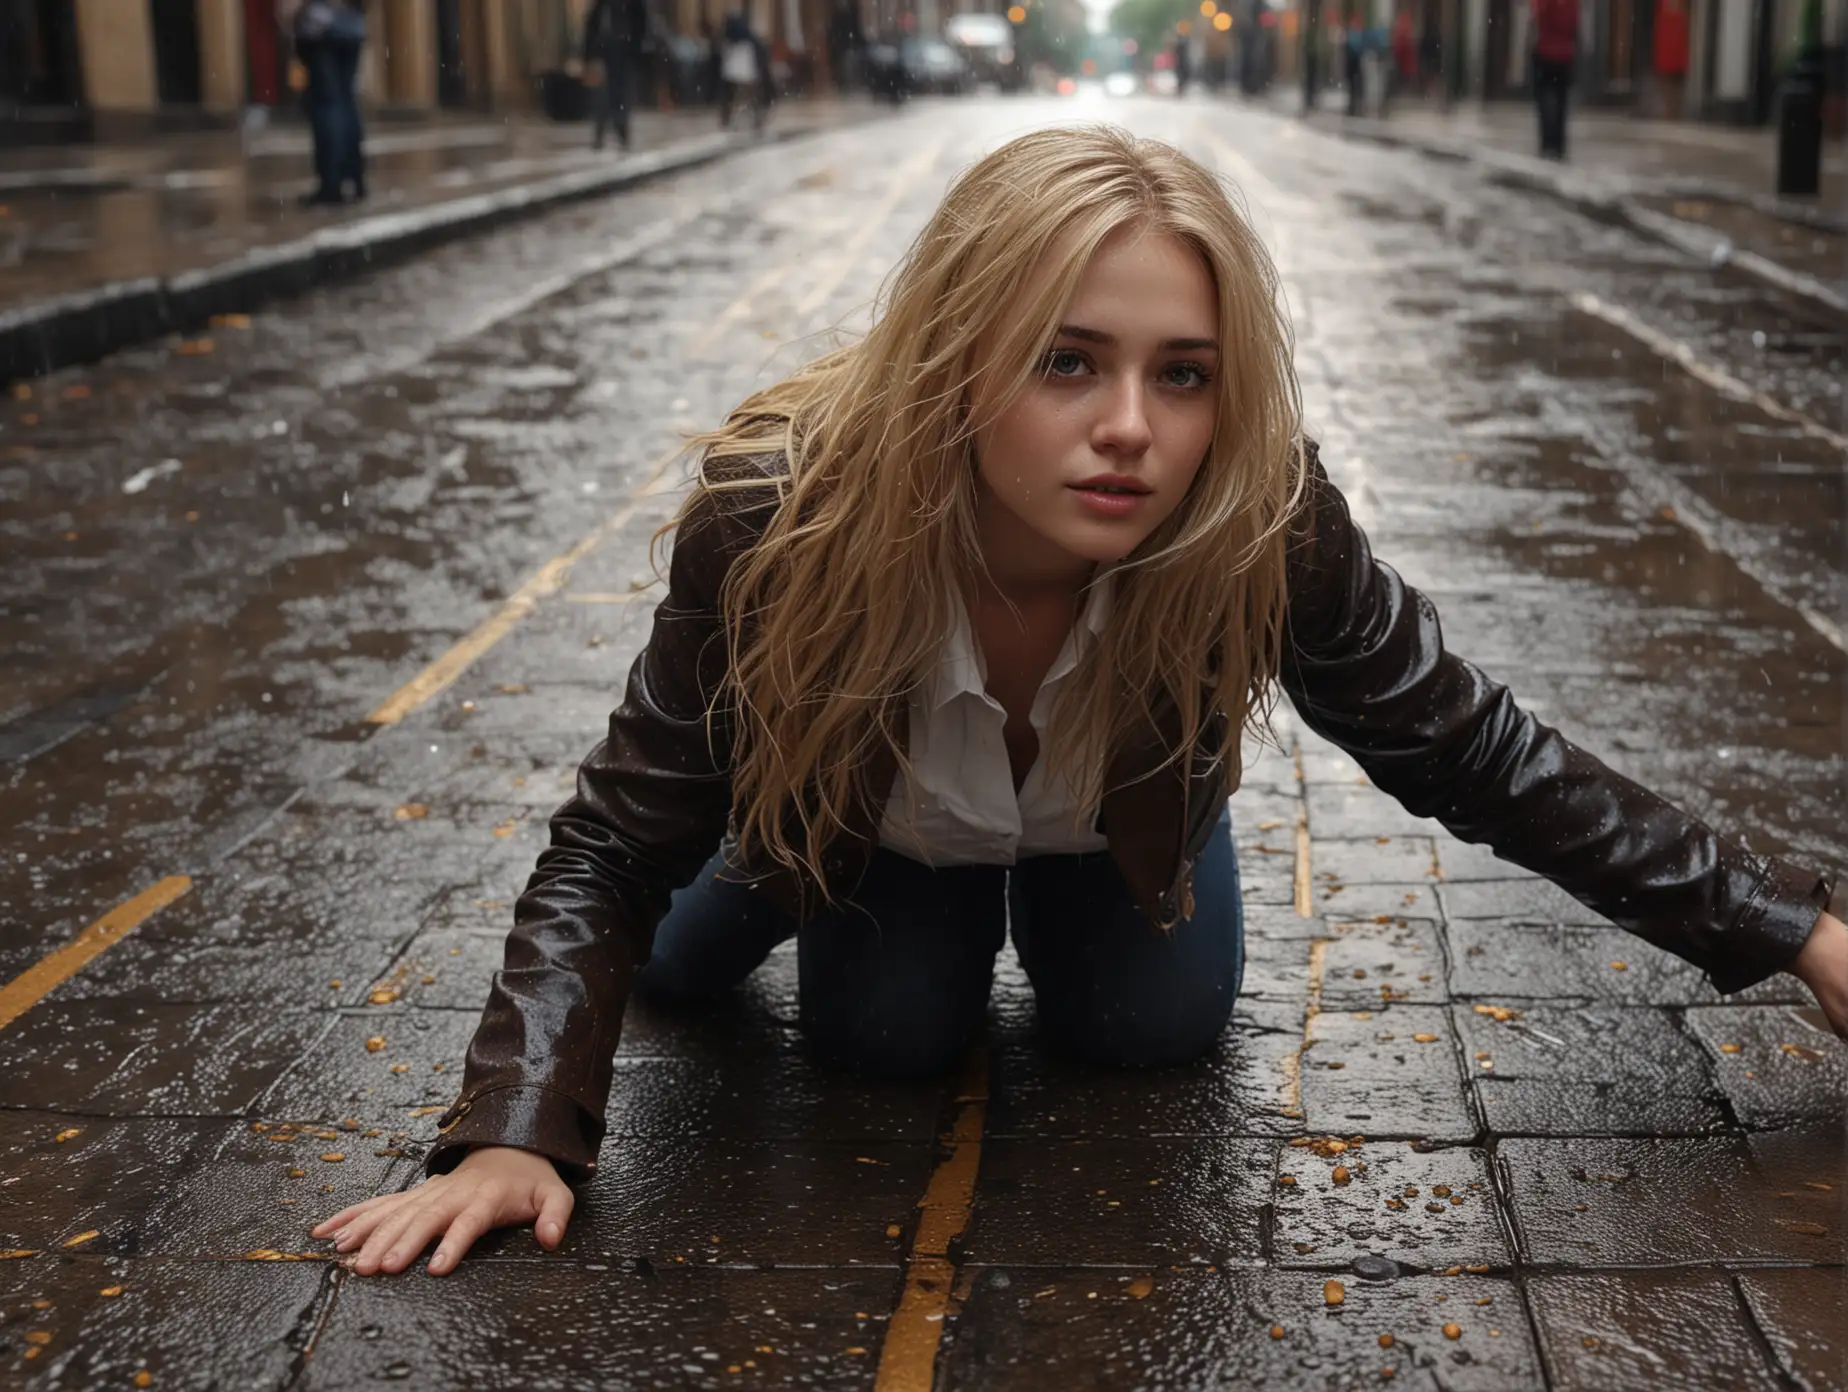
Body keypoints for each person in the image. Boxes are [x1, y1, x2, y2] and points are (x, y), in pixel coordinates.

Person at [310, 127, 1847, 1277]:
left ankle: (1040, 907)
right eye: (1068, 361)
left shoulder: (1262, 519)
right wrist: (514, 1130)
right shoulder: (780, 515)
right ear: (957, 359)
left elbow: (1473, 750)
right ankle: (771, 869)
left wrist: (1799, 930)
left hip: (1097, 830)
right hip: (870, 832)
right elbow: (606, 845)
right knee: (807, 1005)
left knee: (1149, 1025)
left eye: (1183, 374)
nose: (1131, 430)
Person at [287, 0, 367, 205]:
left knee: (327, 104)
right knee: (345, 101)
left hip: (321, 25)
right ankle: (355, 178)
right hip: (352, 24)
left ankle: (331, 183)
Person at [583, 0, 641, 152]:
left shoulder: (631, 5)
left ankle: (622, 133)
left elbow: (640, 26)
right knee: (601, 96)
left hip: (623, 53)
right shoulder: (601, 5)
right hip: (603, 53)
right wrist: (589, 55)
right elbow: (591, 27)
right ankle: (600, 133)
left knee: (621, 95)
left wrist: (635, 51)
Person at [1531, 0, 1578, 159]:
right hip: (1565, 55)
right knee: (1561, 101)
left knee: (1544, 100)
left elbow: (1538, 17)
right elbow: (1574, 22)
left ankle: (1548, 142)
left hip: (1545, 52)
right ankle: (1558, 144)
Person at [717, 9, 770, 131]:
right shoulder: (747, 36)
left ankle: (728, 118)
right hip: (746, 68)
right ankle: (756, 119)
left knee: (731, 95)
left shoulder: (730, 34)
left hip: (735, 68)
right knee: (750, 95)